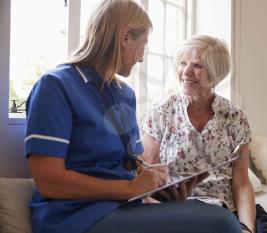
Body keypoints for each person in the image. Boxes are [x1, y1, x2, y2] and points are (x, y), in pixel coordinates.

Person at [25, 1, 244, 233]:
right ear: (125, 37)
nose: (141, 57)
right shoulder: (56, 86)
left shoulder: (124, 95)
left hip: (124, 207)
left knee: (217, 217)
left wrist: (161, 188)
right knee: (221, 223)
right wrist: (130, 188)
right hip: (77, 216)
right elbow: (49, 182)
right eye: (144, 44)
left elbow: (132, 167)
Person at [141, 35, 259, 233]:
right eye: (183, 63)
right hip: (176, 210)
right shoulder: (161, 112)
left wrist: (247, 229)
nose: (186, 72)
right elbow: (146, 180)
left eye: (197, 65)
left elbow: (241, 183)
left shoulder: (235, 117)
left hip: (223, 210)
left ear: (215, 73)